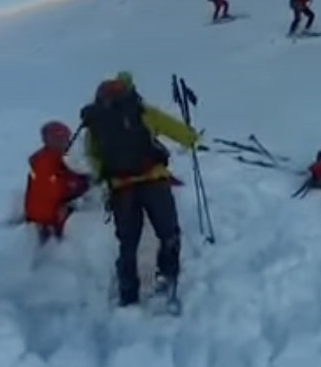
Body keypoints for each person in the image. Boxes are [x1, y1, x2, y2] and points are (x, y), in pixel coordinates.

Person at [78, 72, 200, 306]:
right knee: (168, 232)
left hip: (121, 187)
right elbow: (170, 126)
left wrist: (107, 176)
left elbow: (93, 156)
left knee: (128, 241)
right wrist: (192, 138)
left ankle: (128, 291)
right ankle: (168, 276)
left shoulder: (96, 122)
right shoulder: (141, 111)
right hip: (153, 179)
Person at [24, 120, 91, 242]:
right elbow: (51, 192)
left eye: (67, 138)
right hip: (48, 220)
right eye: (61, 139)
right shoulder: (47, 163)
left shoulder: (55, 158)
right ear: (50, 141)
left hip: (46, 215)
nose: (67, 142)